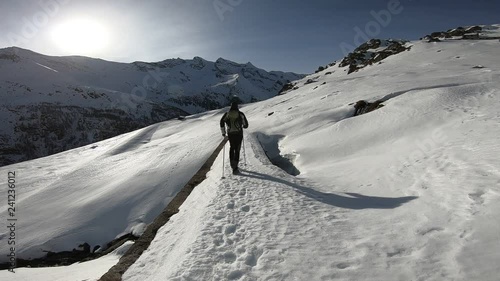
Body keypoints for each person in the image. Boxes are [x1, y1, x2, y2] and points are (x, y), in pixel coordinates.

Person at [220, 101, 249, 174]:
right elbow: (246, 125)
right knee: (237, 149)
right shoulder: (240, 114)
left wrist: (223, 132)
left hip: (230, 134)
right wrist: (242, 126)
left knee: (232, 147)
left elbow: (221, 122)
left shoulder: (227, 114)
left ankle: (232, 164)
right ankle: (235, 167)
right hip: (239, 134)